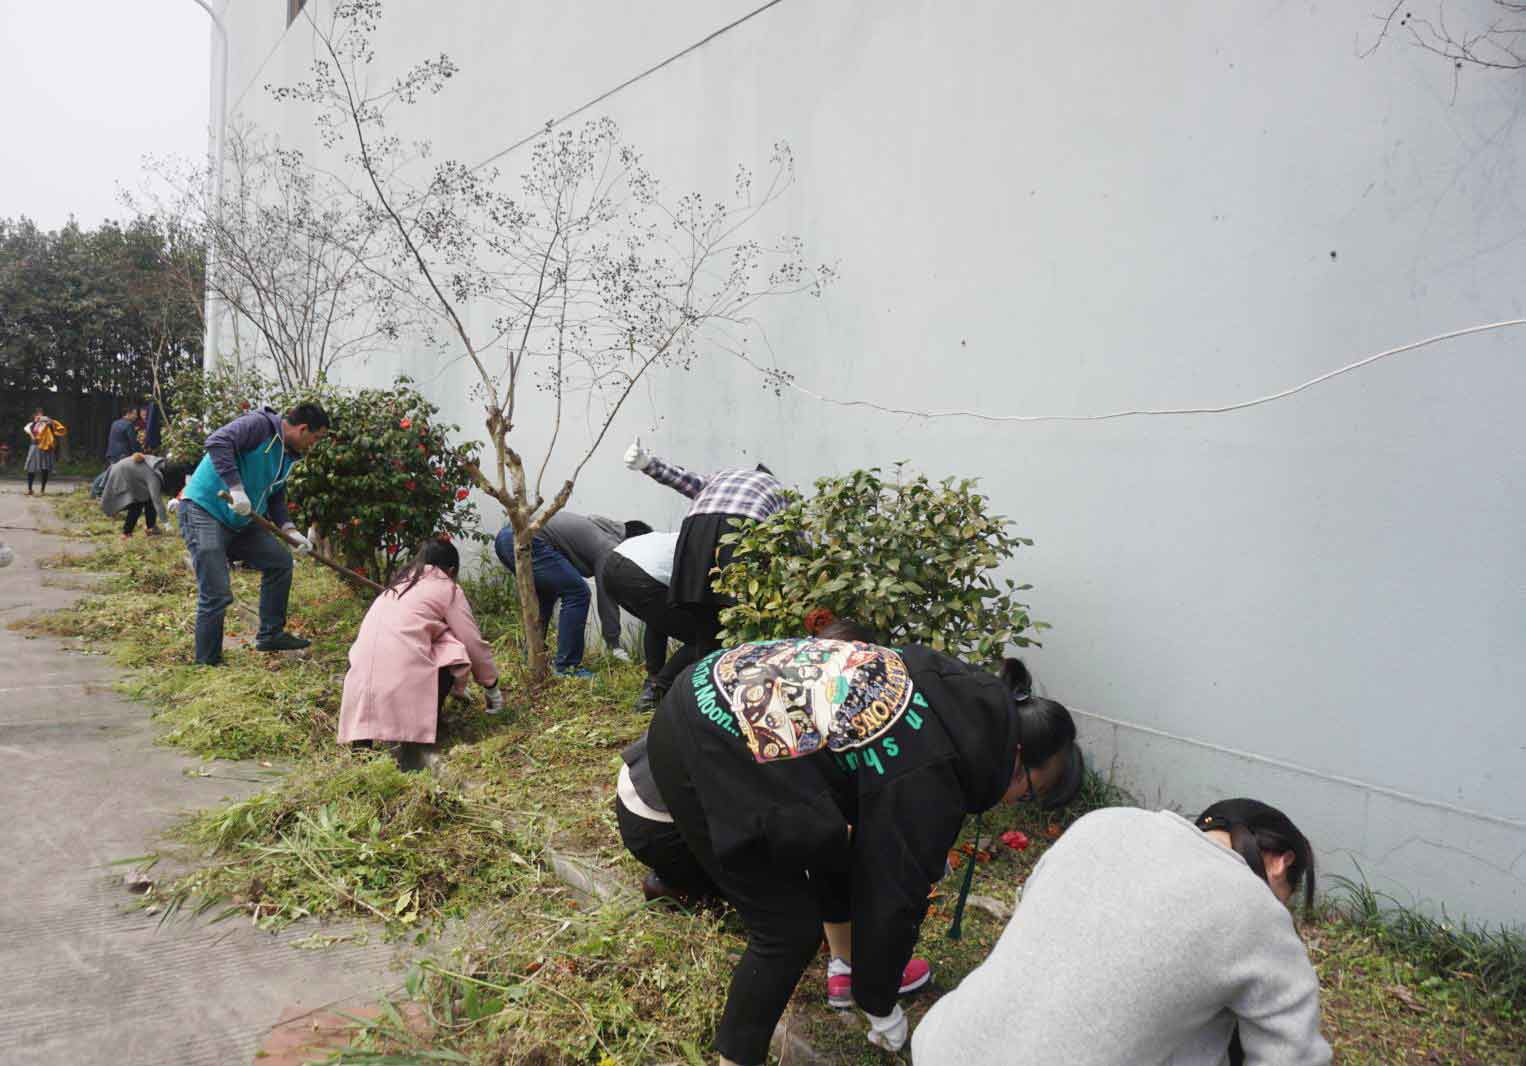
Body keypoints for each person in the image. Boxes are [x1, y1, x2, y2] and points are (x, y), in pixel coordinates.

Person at [646, 633, 1084, 1064]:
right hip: (708, 739)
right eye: (1028, 791)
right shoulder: (930, 772)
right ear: (1018, 756)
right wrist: (879, 1000)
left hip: (707, 687)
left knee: (835, 835)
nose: (1015, 802)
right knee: (786, 930)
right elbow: (893, 895)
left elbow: (866, 844)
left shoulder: (950, 691)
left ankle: (848, 966)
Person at [910, 798, 1328, 1066]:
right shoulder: (1257, 910)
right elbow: (1292, 1055)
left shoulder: (1103, 821)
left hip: (942, 1048)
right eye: (1286, 896)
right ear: (1280, 862)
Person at [623, 439, 787, 685]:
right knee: (737, 617)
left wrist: (648, 464)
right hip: (738, 529)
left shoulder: (724, 476)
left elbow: (685, 480)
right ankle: (730, 685)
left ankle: (694, 688)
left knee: (705, 623)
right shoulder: (777, 489)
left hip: (695, 531)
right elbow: (793, 536)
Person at [177, 402, 329, 665]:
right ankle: (207, 663)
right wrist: (235, 487)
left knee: (279, 562)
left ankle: (270, 634)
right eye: (315, 438)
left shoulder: (287, 455)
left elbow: (275, 495)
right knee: (216, 592)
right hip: (204, 511)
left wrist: (290, 530)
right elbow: (217, 442)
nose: (313, 445)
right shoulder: (259, 426)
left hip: (240, 522)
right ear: (303, 429)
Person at [338, 538, 504, 771]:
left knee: (430, 637)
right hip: (402, 681)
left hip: (358, 680)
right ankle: (417, 736)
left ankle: (362, 749)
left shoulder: (397, 586)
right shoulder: (447, 587)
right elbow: (471, 641)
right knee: (452, 644)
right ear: (451, 570)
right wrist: (491, 685)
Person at [493, 511, 649, 678]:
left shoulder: (599, 529)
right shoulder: (609, 547)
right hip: (527, 540)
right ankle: (567, 666)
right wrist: (613, 643)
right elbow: (607, 595)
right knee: (578, 593)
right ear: (633, 543)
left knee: (546, 596)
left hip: (506, 538)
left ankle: (532, 656)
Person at [600, 527, 700, 710]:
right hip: (640, 574)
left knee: (658, 621)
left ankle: (652, 679)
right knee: (703, 637)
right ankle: (656, 692)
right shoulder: (709, 551)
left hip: (613, 564)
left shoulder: (688, 536)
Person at [98, 453, 193, 539]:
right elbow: (157, 501)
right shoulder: (153, 476)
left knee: (147, 500)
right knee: (137, 504)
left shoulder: (158, 462)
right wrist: (166, 523)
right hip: (120, 475)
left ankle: (151, 528)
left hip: (128, 472)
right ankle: (126, 533)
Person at [23, 408, 67, 495]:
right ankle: (30, 489)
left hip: (46, 448)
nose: (40, 416)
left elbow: (57, 430)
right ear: (34, 416)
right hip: (34, 447)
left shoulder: (48, 424)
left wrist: (50, 422)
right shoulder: (31, 425)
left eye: (41, 414)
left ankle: (42, 490)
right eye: (38, 414)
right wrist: (36, 422)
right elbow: (31, 432)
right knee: (31, 468)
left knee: (45, 469)